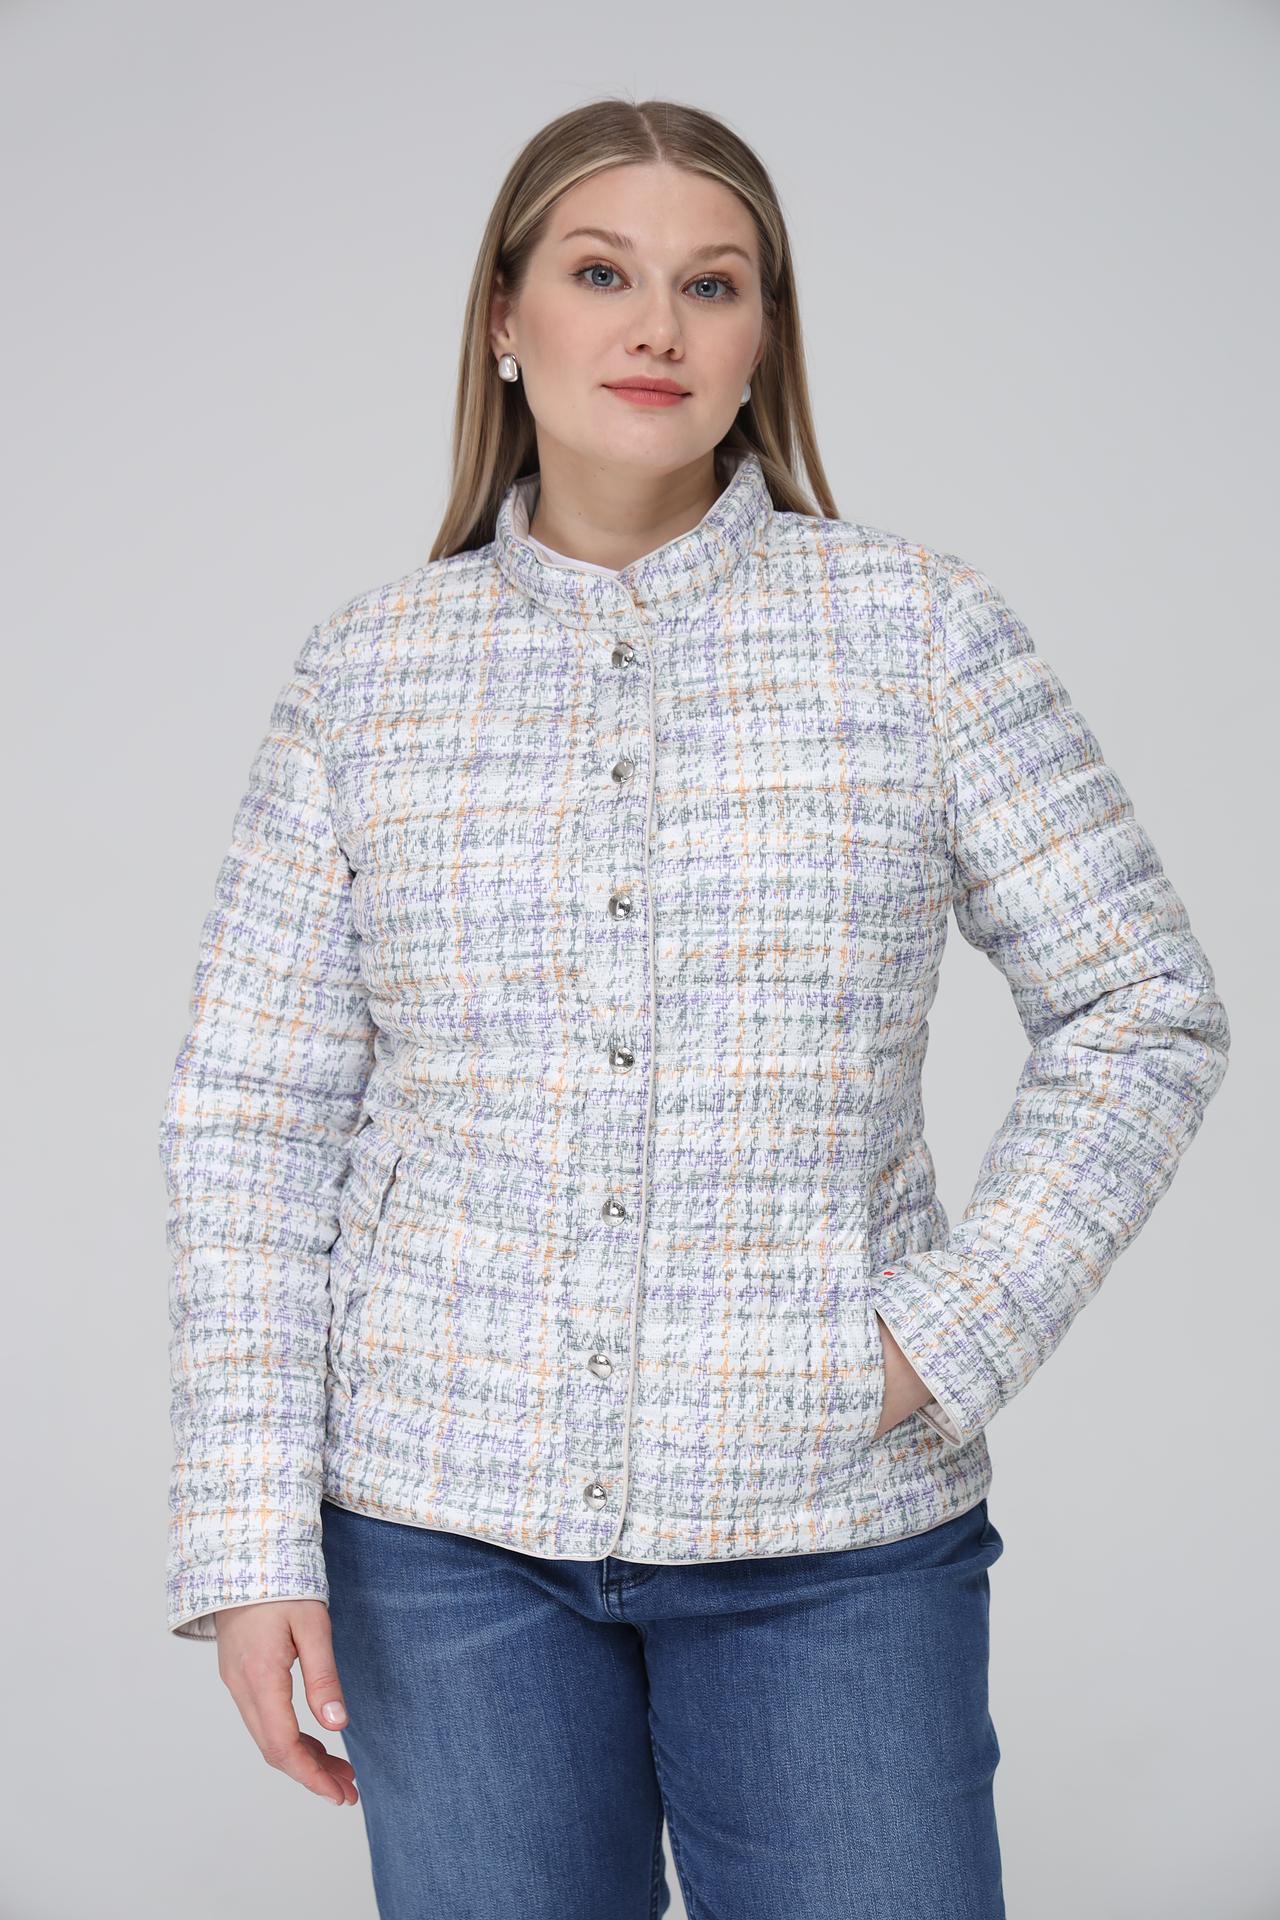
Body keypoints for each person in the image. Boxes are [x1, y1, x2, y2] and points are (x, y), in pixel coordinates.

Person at [156, 97, 1231, 1920]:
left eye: (711, 285)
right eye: (602, 274)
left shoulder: (920, 634)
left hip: (834, 1531)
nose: (656, 326)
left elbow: (1144, 1007)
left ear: (760, 341)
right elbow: (253, 1119)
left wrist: (942, 1337)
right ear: (506, 319)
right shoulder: (366, 678)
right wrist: (250, 1536)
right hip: (441, 1540)